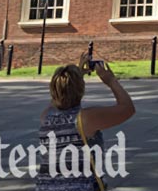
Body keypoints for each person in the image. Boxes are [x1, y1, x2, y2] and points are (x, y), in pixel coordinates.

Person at [35, 57, 135, 190]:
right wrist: (111, 81)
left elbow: (58, 98)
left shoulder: (46, 117)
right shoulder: (86, 118)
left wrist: (76, 76)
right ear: (81, 90)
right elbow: (128, 108)